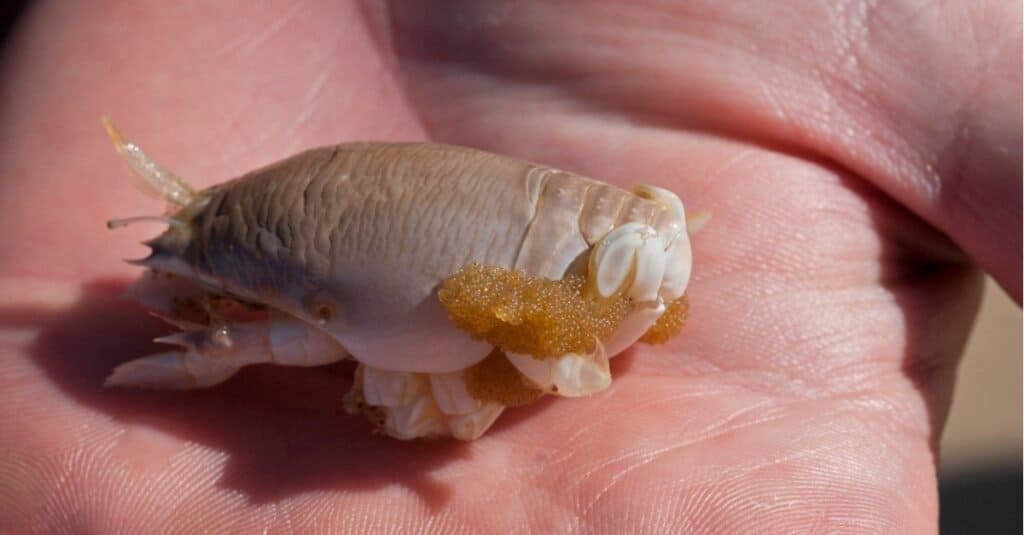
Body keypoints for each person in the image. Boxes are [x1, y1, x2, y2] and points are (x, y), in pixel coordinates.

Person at [0, 1, 1018, 532]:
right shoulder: (609, 273)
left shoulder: (577, 293)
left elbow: (490, 331)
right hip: (565, 268)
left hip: (562, 274)